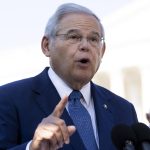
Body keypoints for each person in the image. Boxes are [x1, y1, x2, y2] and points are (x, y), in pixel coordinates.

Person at [0, 3, 138, 150]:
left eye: (93, 39)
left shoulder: (123, 109)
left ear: (102, 51)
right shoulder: (7, 99)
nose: (85, 46)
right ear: (47, 46)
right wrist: (32, 148)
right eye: (74, 37)